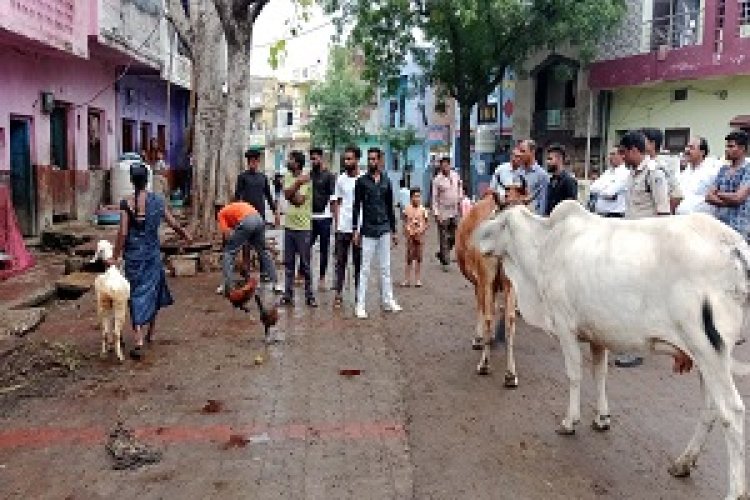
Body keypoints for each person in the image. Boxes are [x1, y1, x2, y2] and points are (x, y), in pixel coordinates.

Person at [111, 163, 191, 360]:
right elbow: (172, 222)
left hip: (134, 257)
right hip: (153, 254)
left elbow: (122, 232)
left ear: (132, 181)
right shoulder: (158, 201)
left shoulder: (126, 204)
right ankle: (151, 333)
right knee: (154, 291)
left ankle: (138, 337)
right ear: (147, 180)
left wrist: (115, 256)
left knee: (135, 294)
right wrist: (185, 234)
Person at [352, 147, 402, 319]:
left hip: (384, 229)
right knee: (365, 269)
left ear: (380, 161)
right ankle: (360, 305)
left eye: (375, 159)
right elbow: (356, 206)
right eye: (370, 159)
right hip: (368, 230)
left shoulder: (386, 181)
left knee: (385, 268)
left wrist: (394, 230)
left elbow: (390, 207)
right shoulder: (361, 182)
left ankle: (388, 301)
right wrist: (355, 230)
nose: (372, 162)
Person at [217, 201, 278, 298]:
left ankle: (228, 286)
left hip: (247, 222)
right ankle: (276, 284)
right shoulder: (235, 207)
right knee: (263, 252)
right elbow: (245, 237)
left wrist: (229, 247)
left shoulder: (221, 213)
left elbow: (227, 235)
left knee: (228, 253)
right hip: (259, 219)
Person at [280, 151, 317, 307]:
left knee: (305, 264)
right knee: (288, 264)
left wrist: (294, 188)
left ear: (297, 163)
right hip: (289, 226)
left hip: (303, 228)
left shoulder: (307, 180)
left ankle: (310, 296)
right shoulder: (290, 177)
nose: (288, 161)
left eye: (291, 159)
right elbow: (287, 194)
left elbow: (299, 201)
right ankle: (288, 296)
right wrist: (297, 184)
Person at [332, 145, 363, 308]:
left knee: (358, 263)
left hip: (358, 229)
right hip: (342, 228)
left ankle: (359, 294)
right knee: (340, 262)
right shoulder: (341, 179)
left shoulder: (364, 179)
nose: (346, 161)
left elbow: (367, 204)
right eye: (345, 158)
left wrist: (362, 228)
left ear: (357, 160)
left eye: (350, 158)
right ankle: (338, 293)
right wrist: (337, 224)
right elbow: (336, 201)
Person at [706, 130, 750, 241]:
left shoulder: (747, 169)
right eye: (726, 146)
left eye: (731, 146)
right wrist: (729, 201)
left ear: (742, 148)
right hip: (720, 225)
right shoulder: (723, 170)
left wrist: (718, 194)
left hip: (739, 227)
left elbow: (738, 198)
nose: (727, 149)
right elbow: (708, 196)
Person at [309, 147, 337, 292]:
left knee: (324, 249)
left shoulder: (329, 176)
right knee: (306, 247)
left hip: (325, 218)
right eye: (311, 158)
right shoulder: (308, 176)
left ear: (321, 158)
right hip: (310, 217)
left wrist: (335, 220)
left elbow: (333, 197)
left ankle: (322, 278)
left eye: (316, 158)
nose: (313, 161)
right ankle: (303, 274)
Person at [431, 157, 463, 270]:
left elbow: (459, 187)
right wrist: (436, 213)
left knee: (455, 235)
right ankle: (446, 262)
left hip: (454, 210)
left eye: (446, 165)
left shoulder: (455, 175)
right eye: (442, 165)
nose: (445, 167)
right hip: (443, 211)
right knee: (443, 237)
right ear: (440, 167)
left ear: (450, 165)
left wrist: (460, 199)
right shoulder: (437, 180)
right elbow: (434, 198)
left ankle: (442, 253)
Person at [642, 127, 683, 213]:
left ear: (652, 144)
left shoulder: (661, 166)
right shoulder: (642, 165)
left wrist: (663, 214)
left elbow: (677, 195)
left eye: (641, 141)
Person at [676, 137, 719, 215]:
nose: (687, 150)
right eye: (687, 147)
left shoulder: (712, 171)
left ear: (702, 152)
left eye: (691, 147)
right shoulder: (684, 172)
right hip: (680, 220)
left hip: (701, 222)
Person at [589, 147, 630, 218]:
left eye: (613, 154)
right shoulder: (608, 172)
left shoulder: (625, 174)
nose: (610, 157)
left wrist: (601, 190)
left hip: (615, 215)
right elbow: (592, 188)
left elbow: (609, 193)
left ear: (622, 155)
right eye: (610, 154)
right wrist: (606, 189)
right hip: (601, 215)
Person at [401, 187, 429, 288]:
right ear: (411, 197)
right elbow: (404, 222)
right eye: (415, 196)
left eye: (418, 196)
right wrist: (407, 230)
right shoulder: (407, 209)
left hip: (420, 238)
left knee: (419, 259)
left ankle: (417, 279)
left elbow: (426, 223)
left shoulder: (423, 210)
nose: (417, 199)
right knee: (409, 258)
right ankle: (407, 279)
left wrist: (421, 230)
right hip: (410, 237)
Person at [517, 139, 549, 215]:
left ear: (532, 152)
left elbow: (543, 202)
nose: (520, 155)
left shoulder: (542, 175)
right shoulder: (518, 172)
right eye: (520, 151)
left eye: (523, 151)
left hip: (532, 219)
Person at [544, 144, 578, 215]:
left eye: (550, 159)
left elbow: (572, 208)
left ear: (559, 159)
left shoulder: (569, 181)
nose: (547, 162)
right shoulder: (551, 180)